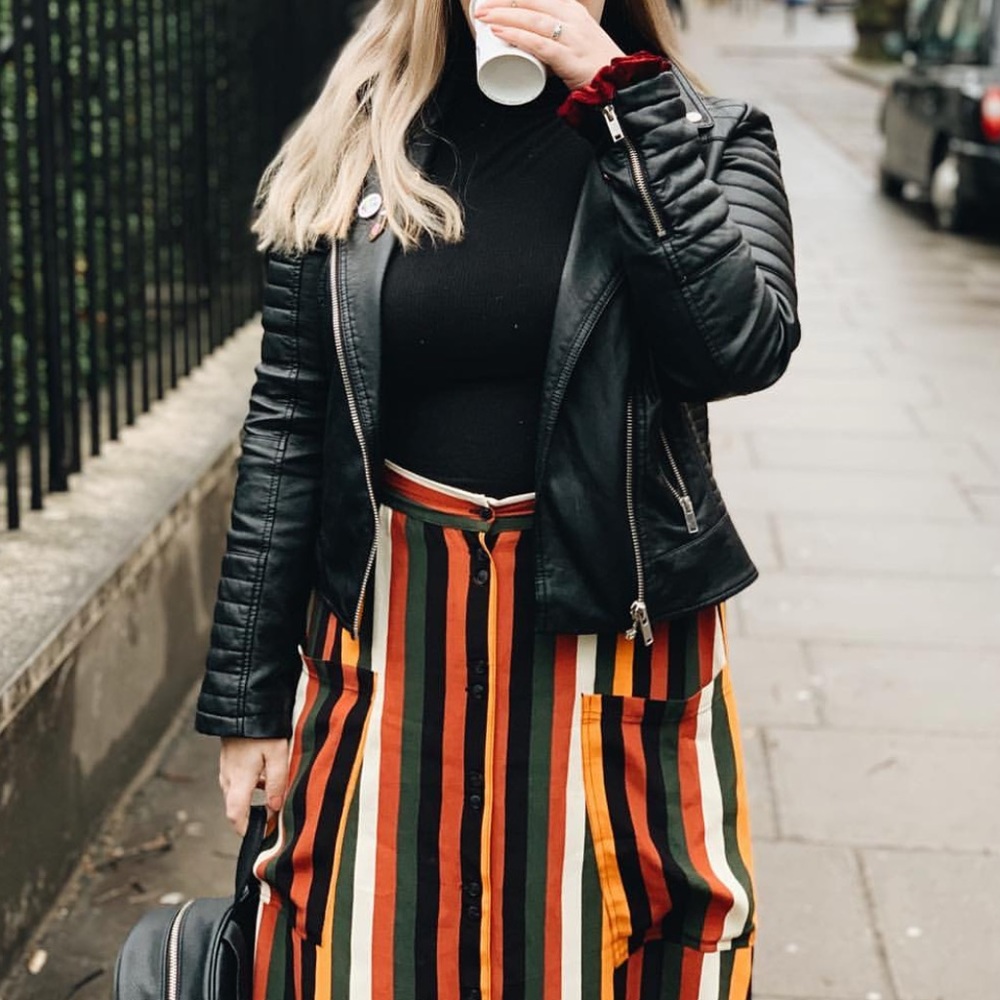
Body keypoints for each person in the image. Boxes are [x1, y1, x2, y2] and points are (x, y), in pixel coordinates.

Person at [193, 0, 800, 993]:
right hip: (396, 634)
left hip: (609, 630)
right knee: (366, 945)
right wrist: (248, 699)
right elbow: (288, 425)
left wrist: (621, 102)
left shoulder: (699, 134)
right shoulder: (355, 138)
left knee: (612, 946)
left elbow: (737, 346)